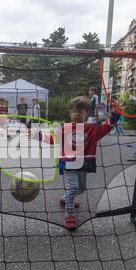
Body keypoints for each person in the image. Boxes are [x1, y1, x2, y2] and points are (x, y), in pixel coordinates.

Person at [41, 96, 122, 230]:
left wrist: (116, 114)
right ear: (70, 113)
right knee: (73, 188)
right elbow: (51, 138)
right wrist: (34, 135)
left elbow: (107, 126)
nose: (77, 113)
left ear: (87, 113)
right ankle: (69, 215)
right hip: (68, 164)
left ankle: (65, 198)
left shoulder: (91, 128)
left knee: (81, 188)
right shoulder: (64, 128)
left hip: (83, 164)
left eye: (81, 110)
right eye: (74, 111)